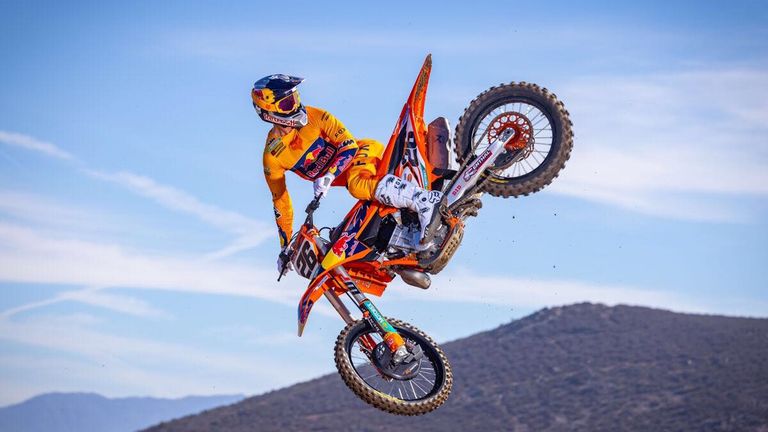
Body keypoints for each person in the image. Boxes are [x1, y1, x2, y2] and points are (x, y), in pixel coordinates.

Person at [251, 74, 442, 274]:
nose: (297, 105)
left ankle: (425, 200)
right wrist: (285, 247)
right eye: (288, 103)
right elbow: (281, 201)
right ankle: (406, 246)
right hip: (359, 178)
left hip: (365, 154)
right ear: (269, 113)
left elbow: (349, 146)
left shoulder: (316, 116)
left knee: (356, 184)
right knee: (345, 234)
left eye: (296, 97)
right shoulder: (273, 156)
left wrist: (330, 174)